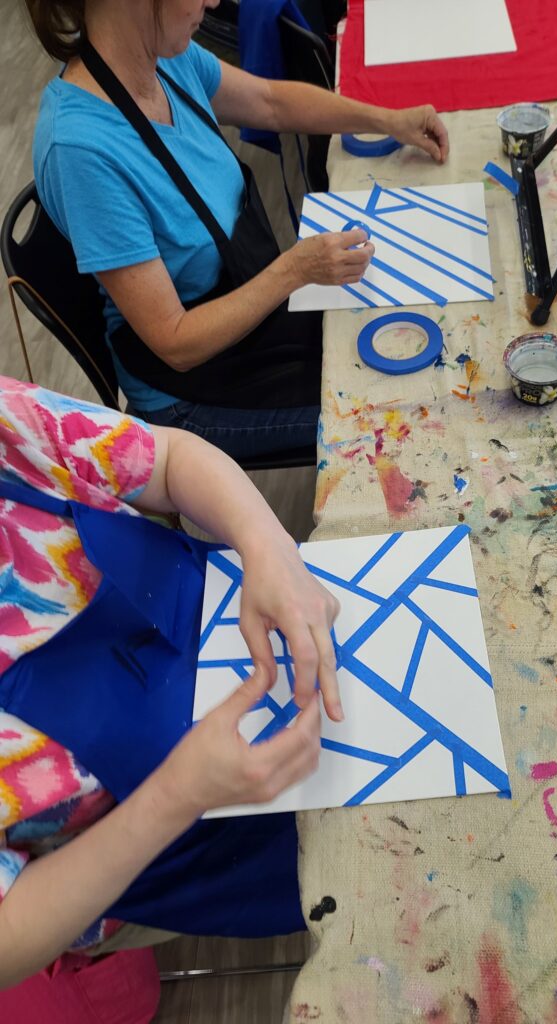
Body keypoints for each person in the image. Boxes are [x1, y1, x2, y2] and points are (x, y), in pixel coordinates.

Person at [0, 372, 343, 989]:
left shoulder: (6, 426)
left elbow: (172, 458)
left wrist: (266, 547)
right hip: (156, 841)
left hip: (238, 620)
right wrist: (177, 797)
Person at [26, 0, 450, 461]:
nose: (213, 2)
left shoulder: (167, 58)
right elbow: (176, 342)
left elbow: (270, 102)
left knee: (424, 343)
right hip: (190, 393)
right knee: (405, 409)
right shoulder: (83, 150)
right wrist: (294, 269)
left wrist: (387, 120)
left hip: (253, 320)